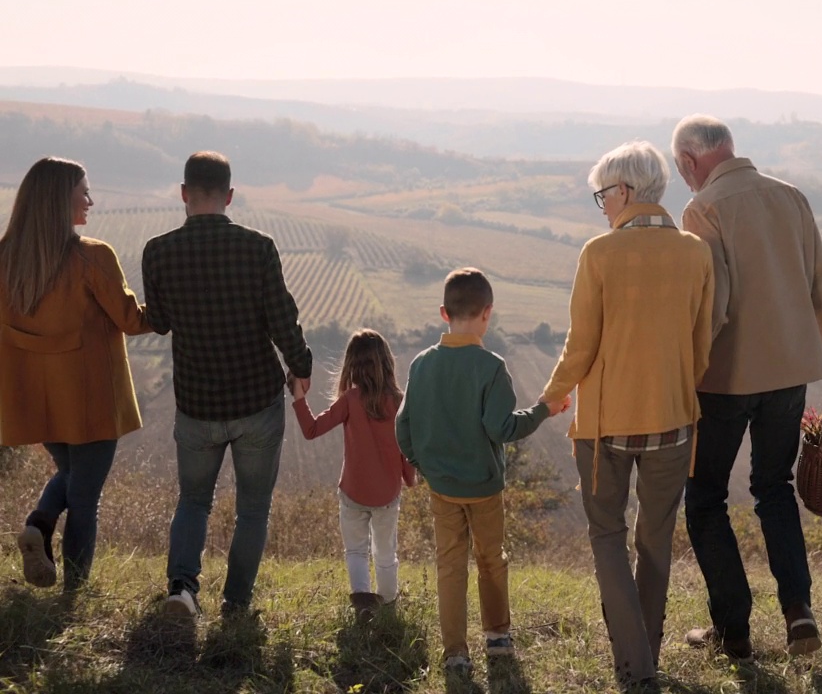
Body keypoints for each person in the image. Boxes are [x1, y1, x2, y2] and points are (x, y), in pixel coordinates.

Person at [671, 115, 822, 660]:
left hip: (724, 379)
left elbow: (717, 305)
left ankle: (734, 632)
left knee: (705, 498)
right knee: (774, 489)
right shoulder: (791, 197)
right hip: (790, 375)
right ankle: (799, 613)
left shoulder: (702, 208)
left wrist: (684, 372)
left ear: (688, 161)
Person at [539, 141, 714, 690]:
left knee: (607, 537)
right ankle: (647, 658)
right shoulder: (696, 253)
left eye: (603, 195)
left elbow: (581, 344)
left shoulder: (598, 254)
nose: (603, 206)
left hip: (606, 426)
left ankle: (635, 667)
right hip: (674, 420)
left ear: (625, 191)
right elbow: (701, 345)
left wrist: (552, 396)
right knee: (655, 540)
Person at [142, 151, 313, 618]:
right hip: (256, 401)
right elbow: (282, 320)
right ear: (230, 196)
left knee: (194, 499)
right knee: (253, 508)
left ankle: (182, 589)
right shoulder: (258, 248)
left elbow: (157, 322)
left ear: (183, 193)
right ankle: (236, 603)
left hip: (196, 404)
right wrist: (301, 364)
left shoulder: (157, 252)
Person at [395, 267, 563, 675]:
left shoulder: (420, 365)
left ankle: (455, 653)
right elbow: (502, 428)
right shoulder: (491, 367)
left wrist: (425, 466)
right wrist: (544, 409)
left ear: (443, 312)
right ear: (488, 313)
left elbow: (403, 428)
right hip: (485, 489)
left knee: (450, 566)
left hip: (442, 488)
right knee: (491, 559)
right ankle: (498, 636)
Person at [1, 157, 151, 592]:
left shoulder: (5, 259)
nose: (91, 200)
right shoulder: (93, 256)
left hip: (36, 400)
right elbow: (133, 320)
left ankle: (40, 526)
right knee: (85, 498)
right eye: (83, 192)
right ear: (58, 200)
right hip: (90, 399)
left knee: (71, 477)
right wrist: (173, 306)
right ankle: (75, 591)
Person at [289, 328, 415, 621]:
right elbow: (407, 448)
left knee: (356, 551)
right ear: (386, 363)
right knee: (385, 555)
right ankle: (388, 606)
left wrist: (298, 397)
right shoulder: (399, 401)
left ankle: (363, 606)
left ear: (351, 365)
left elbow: (311, 430)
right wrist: (410, 478)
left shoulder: (350, 400)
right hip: (387, 495)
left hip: (353, 493)